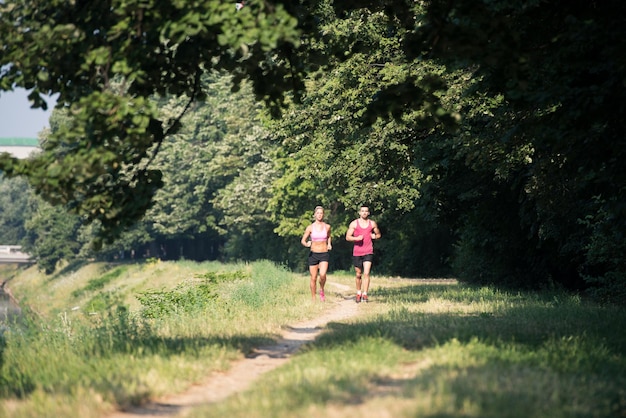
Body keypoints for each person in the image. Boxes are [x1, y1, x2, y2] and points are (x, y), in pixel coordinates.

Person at [346, 205, 381, 303]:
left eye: (366, 211)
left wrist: (374, 236)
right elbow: (348, 237)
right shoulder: (354, 224)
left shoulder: (372, 224)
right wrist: (356, 238)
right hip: (357, 252)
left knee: (366, 273)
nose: (364, 213)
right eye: (362, 211)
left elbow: (378, 234)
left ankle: (365, 294)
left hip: (368, 251)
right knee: (358, 274)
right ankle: (358, 292)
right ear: (359, 213)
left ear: (368, 213)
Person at [301, 206, 332, 301]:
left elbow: (329, 236)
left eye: (321, 213)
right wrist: (307, 244)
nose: (319, 215)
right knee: (313, 277)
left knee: (322, 275)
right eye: (318, 213)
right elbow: (303, 240)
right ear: (315, 215)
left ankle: (322, 289)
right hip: (313, 254)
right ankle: (314, 298)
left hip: (324, 253)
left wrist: (329, 244)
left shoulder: (327, 227)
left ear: (323, 215)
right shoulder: (310, 227)